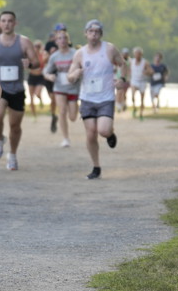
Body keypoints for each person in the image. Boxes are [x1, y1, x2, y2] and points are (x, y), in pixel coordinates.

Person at [67, 19, 128, 179]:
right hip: (87, 98)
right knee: (91, 134)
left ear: (101, 34)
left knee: (103, 130)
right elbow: (70, 77)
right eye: (91, 31)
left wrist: (121, 79)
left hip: (105, 98)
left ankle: (110, 135)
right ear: (85, 33)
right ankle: (96, 167)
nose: (94, 34)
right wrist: (75, 74)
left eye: (97, 32)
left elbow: (123, 64)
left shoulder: (109, 49)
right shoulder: (80, 53)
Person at [0, 10, 38, 171]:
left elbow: (36, 62)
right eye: (4, 21)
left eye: (10, 21)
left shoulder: (24, 42)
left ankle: (13, 155)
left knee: (15, 126)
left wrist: (30, 64)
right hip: (0, 88)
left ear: (15, 23)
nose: (6, 24)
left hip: (18, 89)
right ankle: (0, 139)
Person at [43, 30, 79, 147]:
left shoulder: (75, 54)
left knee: (73, 117)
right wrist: (49, 76)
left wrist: (77, 73)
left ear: (68, 40)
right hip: (59, 87)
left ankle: (72, 109)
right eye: (59, 38)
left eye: (64, 38)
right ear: (56, 41)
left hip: (73, 88)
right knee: (62, 111)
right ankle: (65, 138)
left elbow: (83, 67)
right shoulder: (54, 56)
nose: (62, 40)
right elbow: (46, 71)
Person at [128, 47, 150, 120]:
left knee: (142, 99)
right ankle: (134, 108)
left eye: (139, 54)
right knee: (132, 96)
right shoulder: (132, 61)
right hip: (134, 80)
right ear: (134, 54)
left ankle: (141, 113)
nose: (137, 55)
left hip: (142, 81)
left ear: (141, 54)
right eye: (136, 53)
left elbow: (150, 71)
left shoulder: (145, 62)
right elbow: (128, 69)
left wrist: (146, 72)